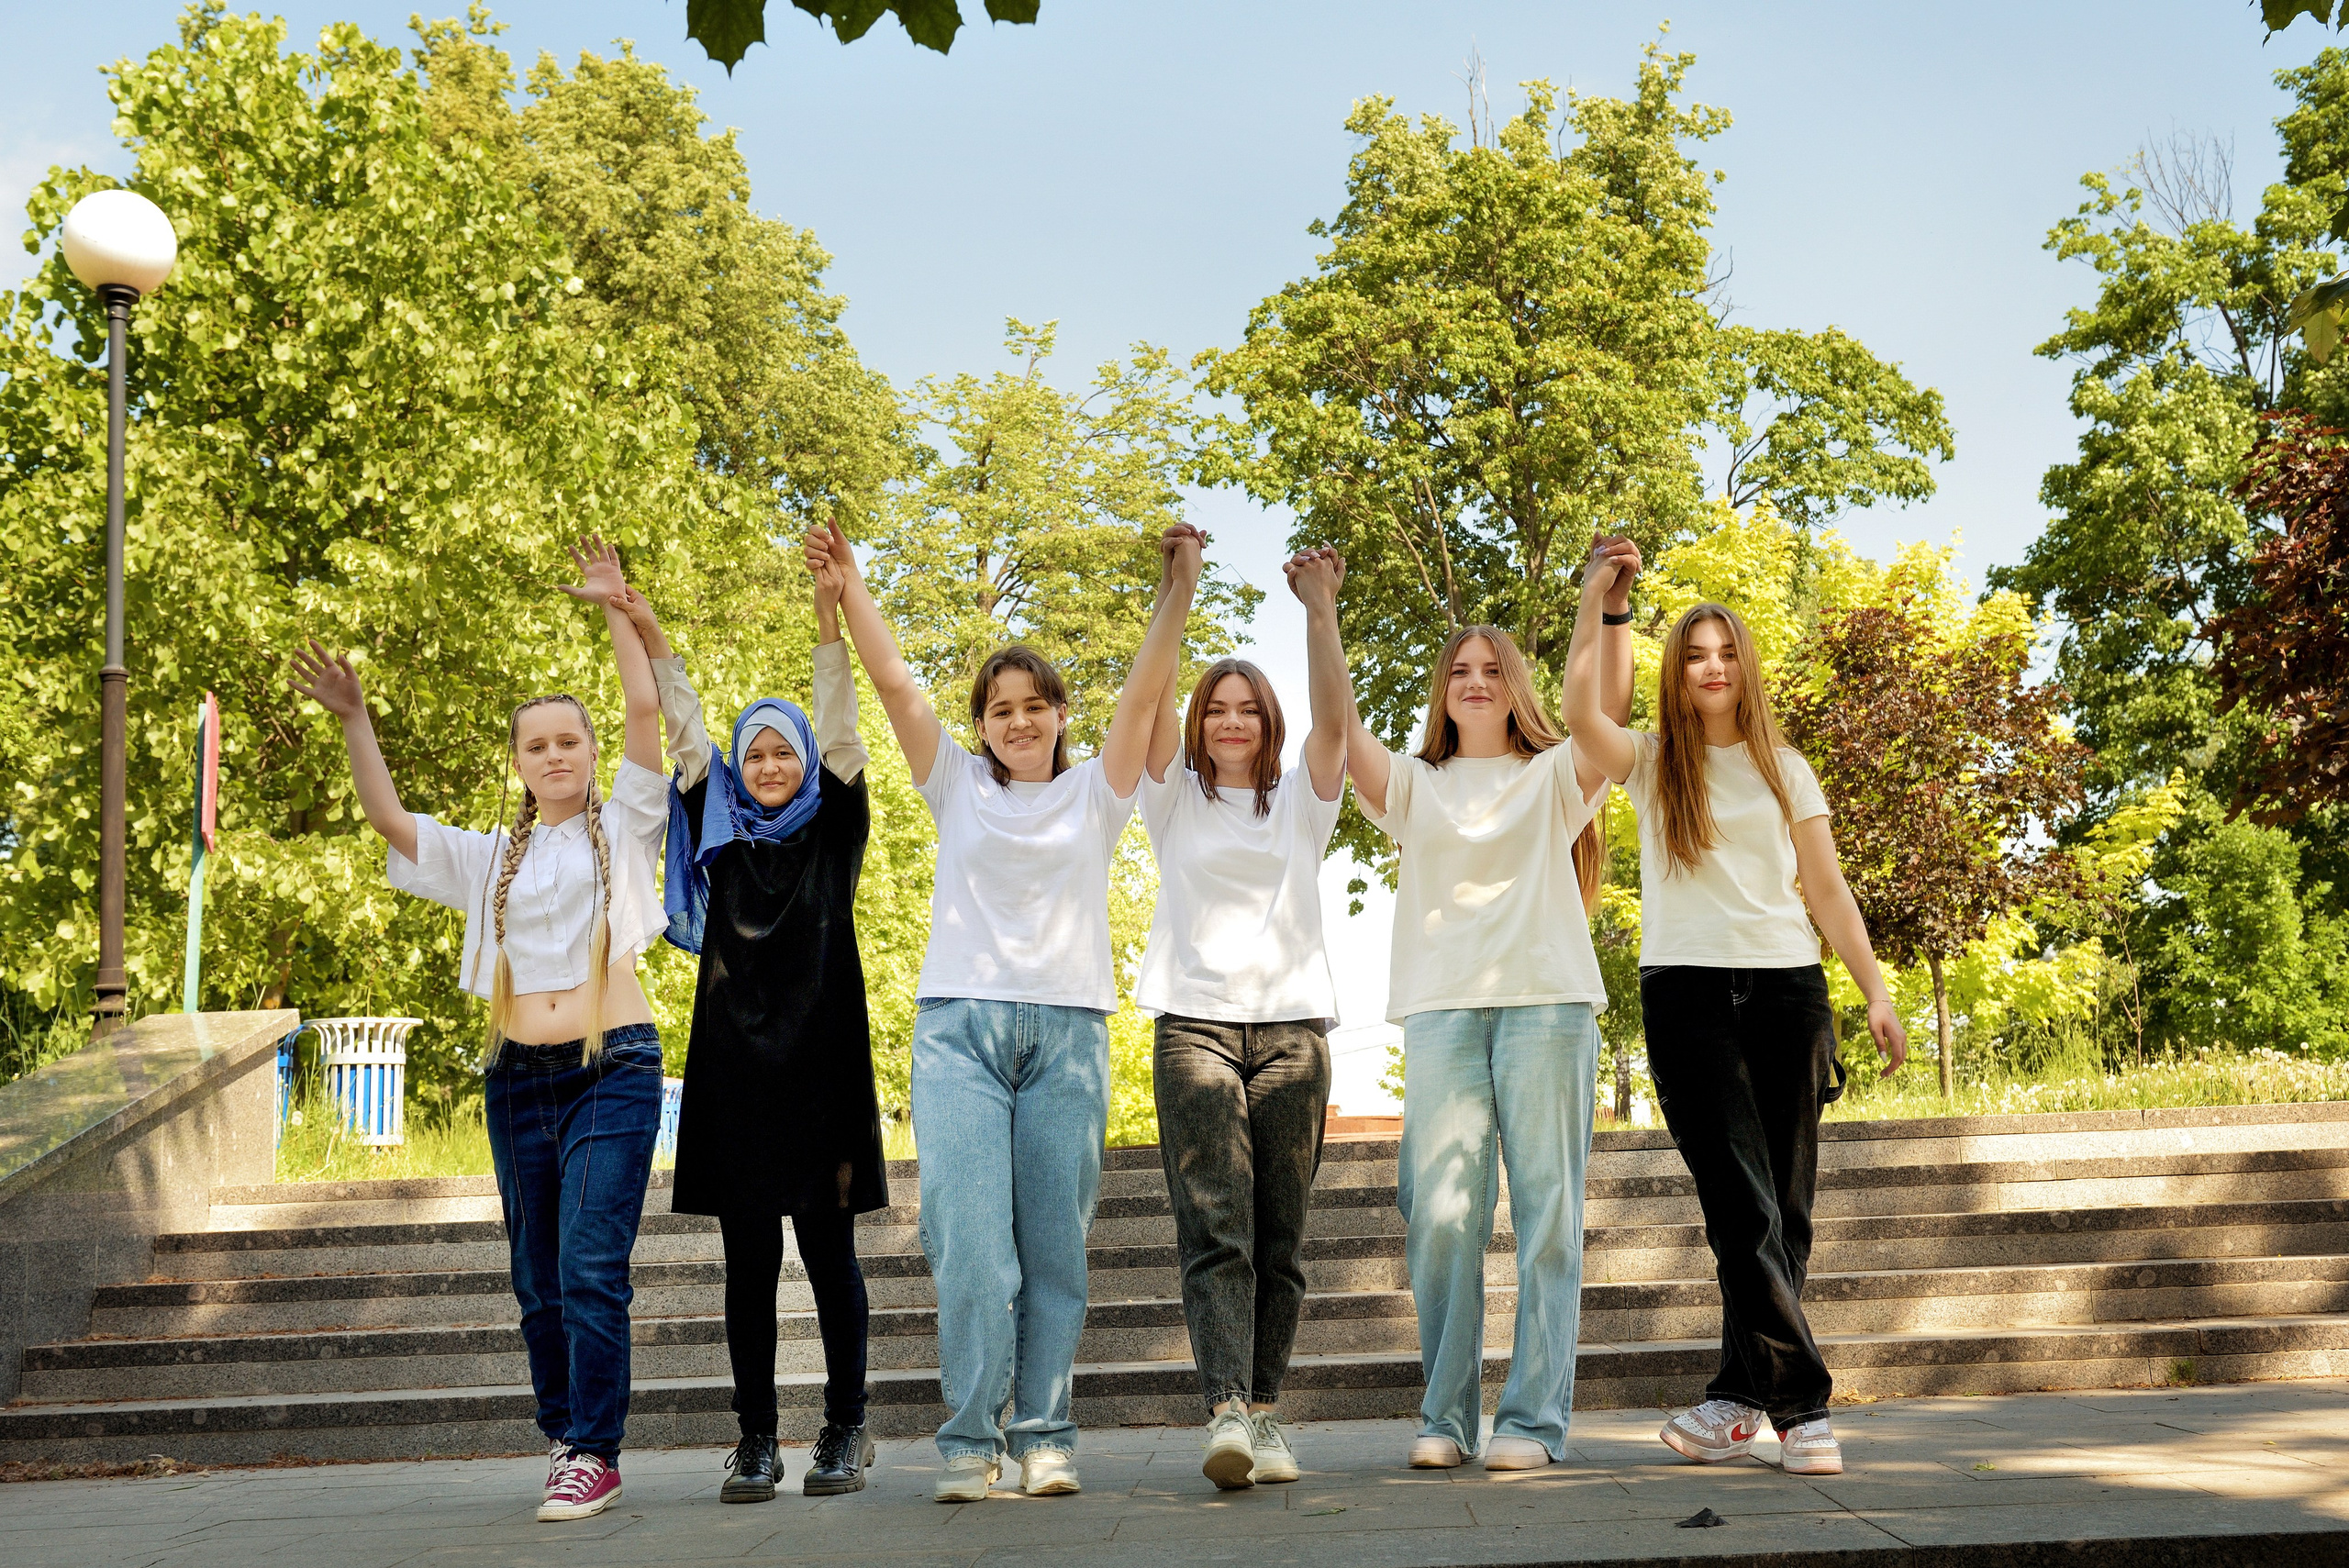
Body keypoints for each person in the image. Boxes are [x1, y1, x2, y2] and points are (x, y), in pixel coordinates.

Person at [807, 517, 1200, 1502]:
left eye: (1035, 705)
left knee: (1056, 1250)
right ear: (980, 722)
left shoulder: (1098, 795)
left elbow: (1150, 689)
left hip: (1067, 1031)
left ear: (1062, 714)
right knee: (974, 1249)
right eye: (1000, 708)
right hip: (960, 1036)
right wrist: (851, 585)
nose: (1018, 721)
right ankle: (968, 1441)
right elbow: (897, 684)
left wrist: (1177, 586)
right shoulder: (955, 787)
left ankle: (1047, 1433)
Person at [286, 537, 669, 1523]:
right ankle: (565, 1434)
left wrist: (616, 611)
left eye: (567, 741)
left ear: (588, 754)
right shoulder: (487, 853)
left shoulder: (626, 825)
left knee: (589, 1260)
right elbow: (390, 819)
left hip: (610, 1065)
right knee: (536, 1278)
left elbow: (640, 709)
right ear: (518, 760)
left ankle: (595, 1447)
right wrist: (357, 719)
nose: (555, 754)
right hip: (515, 1075)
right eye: (536, 744)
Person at [1560, 540, 1909, 1479]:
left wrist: (1873, 991)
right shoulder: (1649, 760)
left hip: (1790, 989)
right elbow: (1576, 714)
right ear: (1678, 673)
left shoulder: (1785, 766)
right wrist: (1601, 602)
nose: (1711, 666)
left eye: (1724, 651)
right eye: (1695, 654)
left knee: (1784, 1214)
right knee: (1737, 1205)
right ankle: (1804, 1408)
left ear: (1744, 665)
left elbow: (1827, 889)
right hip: (1687, 994)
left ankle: (1736, 1397)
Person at [1295, 543, 1633, 1473]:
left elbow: (1606, 706)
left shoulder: (1560, 773)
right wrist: (1321, 610)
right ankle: (1445, 1415)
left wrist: (1601, 606)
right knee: (1441, 1211)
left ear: (1513, 685)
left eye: (1492, 669)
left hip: (1547, 1008)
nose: (1476, 680)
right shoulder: (1412, 785)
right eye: (1459, 670)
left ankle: (1531, 1420)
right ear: (1441, 692)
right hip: (1444, 1013)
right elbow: (1338, 724)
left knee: (1547, 1217)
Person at [598, 555, 886, 1503]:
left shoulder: (834, 824)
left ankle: (844, 1428)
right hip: (736, 1076)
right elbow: (680, 723)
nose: (769, 765)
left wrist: (825, 614)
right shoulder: (718, 829)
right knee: (749, 1263)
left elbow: (841, 718)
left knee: (830, 1254)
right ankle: (756, 1439)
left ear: (807, 762)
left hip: (824, 1072)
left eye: (783, 751)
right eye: (754, 752)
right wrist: (646, 628)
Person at [1134, 558, 1348, 1490]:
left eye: (1247, 707)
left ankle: (1266, 1412)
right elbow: (1142, 705)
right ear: (1199, 720)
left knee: (1280, 1236)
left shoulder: (1301, 802)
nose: (1231, 719)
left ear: (1268, 722)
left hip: (1294, 1034)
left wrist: (1321, 612)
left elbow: (1336, 721)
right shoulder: (1171, 795)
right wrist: (1175, 596)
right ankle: (1225, 1408)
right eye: (1217, 706)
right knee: (1214, 1225)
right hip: (1196, 1030)